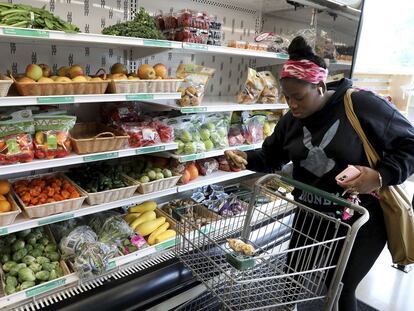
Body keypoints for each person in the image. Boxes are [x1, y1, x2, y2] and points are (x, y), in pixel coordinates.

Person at [225, 36, 414, 311]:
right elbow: (272, 156)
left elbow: (409, 144)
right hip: (311, 215)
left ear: (320, 85)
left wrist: (380, 175)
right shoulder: (291, 120)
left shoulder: (360, 105)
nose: (292, 105)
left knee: (339, 287)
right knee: (293, 279)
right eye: (286, 97)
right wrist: (246, 159)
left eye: (298, 97)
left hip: (360, 220)